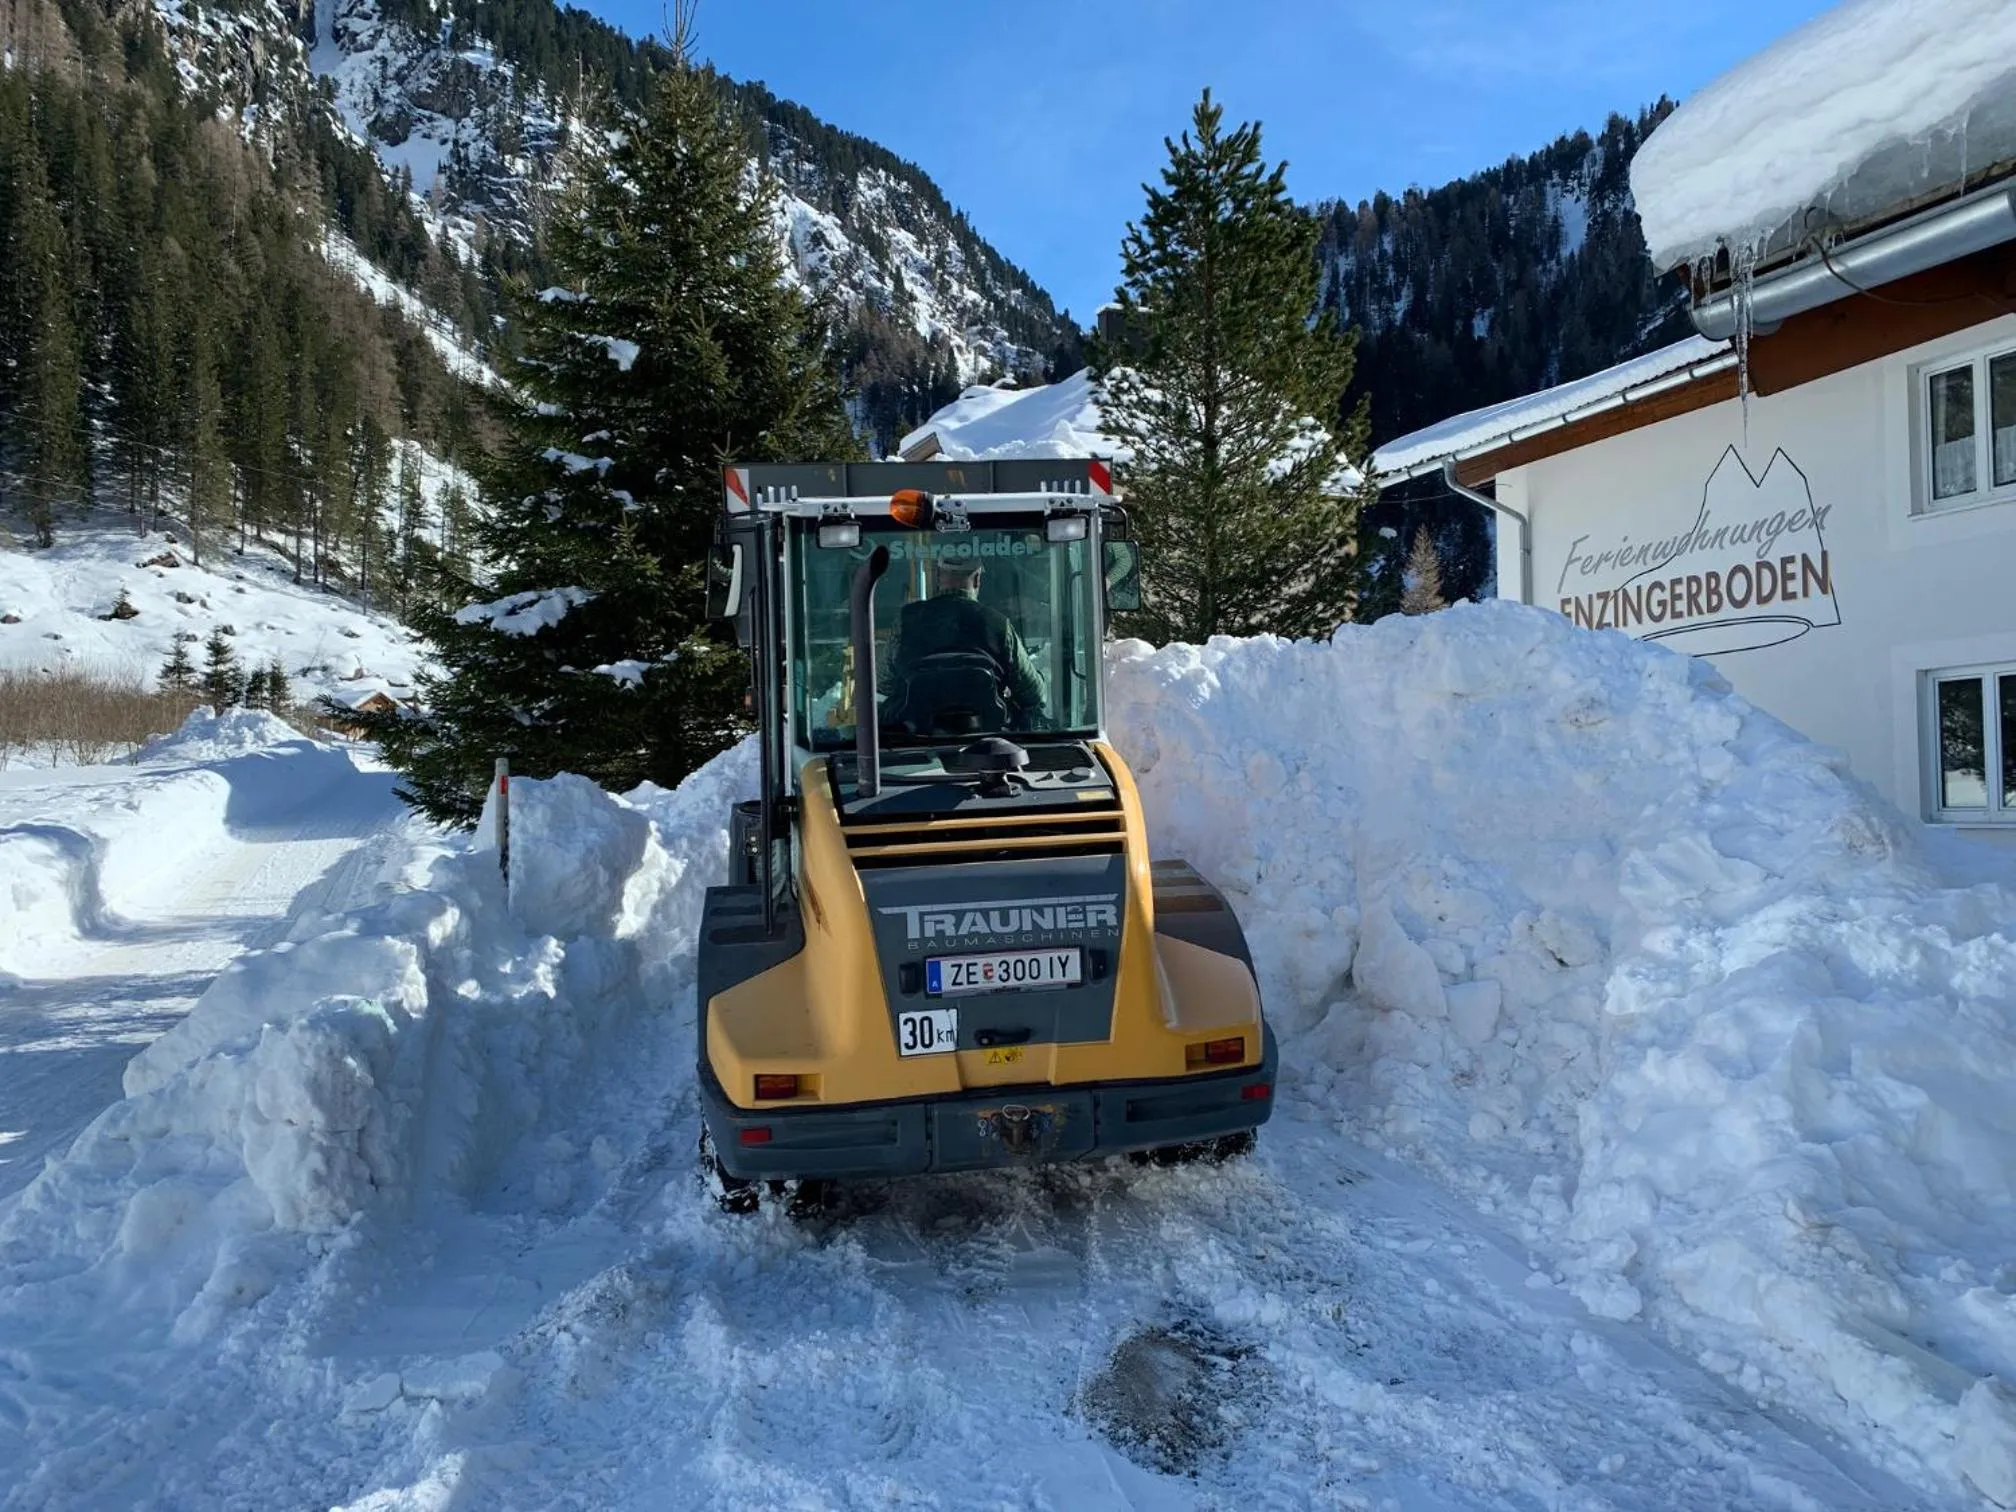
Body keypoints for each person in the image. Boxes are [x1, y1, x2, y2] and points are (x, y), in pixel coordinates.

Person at [883, 555, 1045, 732]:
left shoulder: (906, 620)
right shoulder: (998, 624)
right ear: (977, 579)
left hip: (914, 738)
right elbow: (1032, 692)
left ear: (938, 577)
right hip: (988, 740)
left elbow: (883, 683)